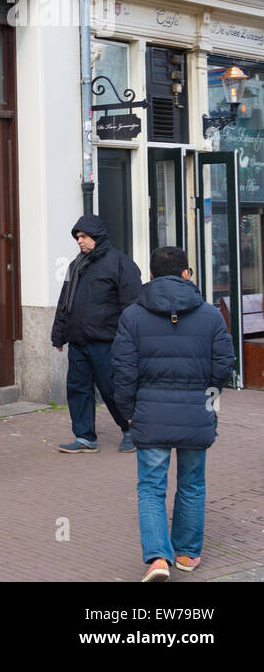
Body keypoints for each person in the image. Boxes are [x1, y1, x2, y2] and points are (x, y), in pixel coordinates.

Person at [112, 246, 234, 582]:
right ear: (186, 274)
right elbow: (224, 363)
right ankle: (187, 554)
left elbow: (122, 370)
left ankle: (157, 559)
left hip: (149, 412)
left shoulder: (132, 316)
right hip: (196, 410)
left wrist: (129, 413)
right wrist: (207, 395)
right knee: (192, 483)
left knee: (151, 487)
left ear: (151, 275)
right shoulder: (210, 314)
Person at [51, 214, 141, 453]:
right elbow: (64, 301)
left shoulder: (121, 264)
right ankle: (84, 437)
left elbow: (132, 305)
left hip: (107, 342)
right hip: (78, 340)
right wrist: (58, 335)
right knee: (78, 389)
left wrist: (129, 340)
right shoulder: (74, 265)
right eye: (78, 237)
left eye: (84, 236)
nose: (80, 241)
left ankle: (131, 429)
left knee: (113, 389)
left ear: (97, 236)